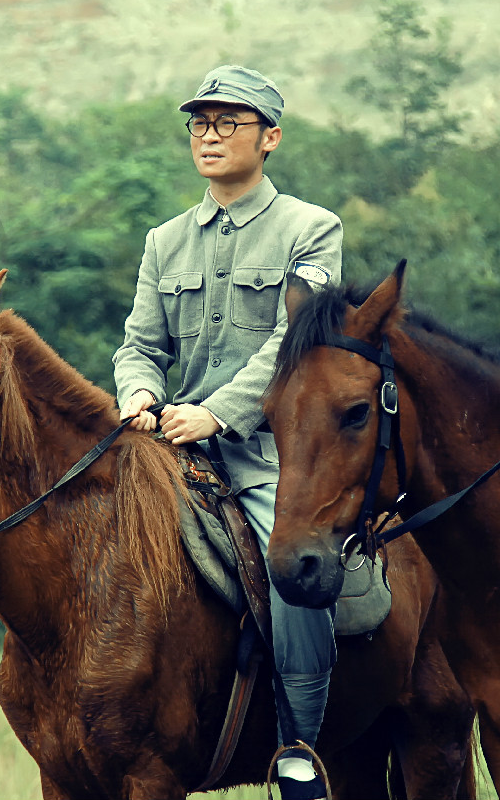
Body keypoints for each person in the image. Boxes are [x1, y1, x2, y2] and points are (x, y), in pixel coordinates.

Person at [113, 65, 343, 797]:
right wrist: (140, 390)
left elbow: (295, 343)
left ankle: (299, 745)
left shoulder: (312, 229)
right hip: (169, 438)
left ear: (270, 137)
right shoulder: (164, 240)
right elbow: (139, 343)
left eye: (228, 122)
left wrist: (218, 412)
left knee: (295, 572)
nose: (209, 135)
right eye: (199, 123)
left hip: (274, 447)